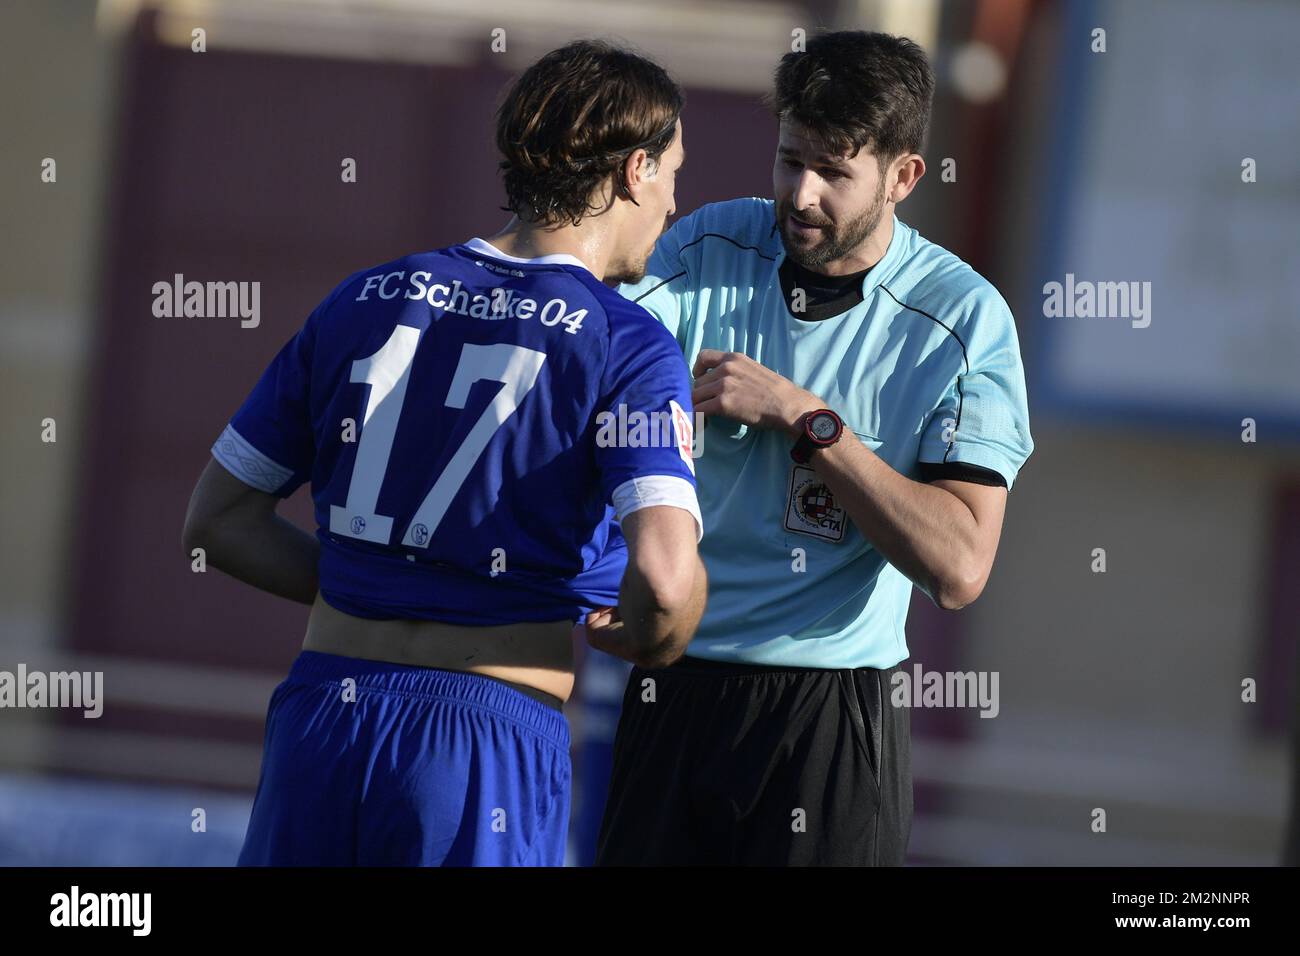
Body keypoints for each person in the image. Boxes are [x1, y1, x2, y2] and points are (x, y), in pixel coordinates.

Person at [182, 39, 706, 866]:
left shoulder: (359, 299)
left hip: (320, 718)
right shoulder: (626, 343)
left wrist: (378, 585)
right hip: (481, 737)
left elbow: (217, 523)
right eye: (674, 171)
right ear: (635, 170)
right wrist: (650, 636)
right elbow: (668, 588)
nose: (676, 202)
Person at [596, 30, 1034, 866]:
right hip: (672, 684)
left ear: (903, 177)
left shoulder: (964, 320)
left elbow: (961, 567)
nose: (799, 195)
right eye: (790, 160)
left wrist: (808, 421)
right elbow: (593, 380)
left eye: (834, 172)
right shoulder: (707, 246)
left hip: (828, 716)